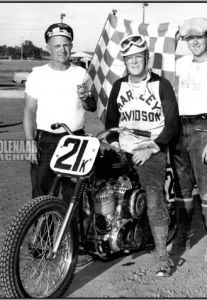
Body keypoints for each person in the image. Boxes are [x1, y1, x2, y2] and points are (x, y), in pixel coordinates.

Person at [105, 33, 180, 277]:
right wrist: (115, 144)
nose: (134, 62)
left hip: (152, 148)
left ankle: (162, 256)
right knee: (94, 184)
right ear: (124, 62)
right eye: (129, 58)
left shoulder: (162, 85)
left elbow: (172, 124)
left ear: (147, 58)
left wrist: (151, 148)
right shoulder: (119, 85)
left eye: (138, 57)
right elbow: (111, 121)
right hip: (124, 148)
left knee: (154, 198)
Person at [23, 23, 97, 266]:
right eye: (57, 46)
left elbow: (91, 107)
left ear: (71, 46)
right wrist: (30, 143)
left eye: (66, 45)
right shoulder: (38, 74)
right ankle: (43, 244)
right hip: (46, 141)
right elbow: (29, 110)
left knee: (73, 196)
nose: (62, 50)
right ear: (48, 47)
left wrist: (86, 98)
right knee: (43, 195)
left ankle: (70, 246)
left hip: (77, 140)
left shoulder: (81, 74)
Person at [169, 18, 207, 264]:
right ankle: (182, 234)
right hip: (179, 128)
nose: (195, 42)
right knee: (182, 188)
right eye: (189, 38)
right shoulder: (181, 63)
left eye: (199, 37)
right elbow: (157, 66)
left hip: (204, 128)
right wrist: (172, 40)